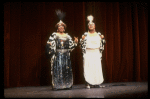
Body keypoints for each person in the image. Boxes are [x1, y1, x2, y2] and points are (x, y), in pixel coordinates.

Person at [46, 10, 78, 90]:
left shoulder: (67, 36)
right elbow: (49, 43)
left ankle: (67, 84)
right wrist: (50, 45)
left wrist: (75, 42)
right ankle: (57, 85)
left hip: (66, 55)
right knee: (58, 70)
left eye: (62, 27)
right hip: (58, 55)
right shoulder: (54, 35)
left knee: (66, 70)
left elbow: (71, 46)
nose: (61, 28)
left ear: (64, 28)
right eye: (59, 27)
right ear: (57, 28)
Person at [80, 15, 106, 89]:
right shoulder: (85, 35)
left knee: (97, 67)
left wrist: (103, 39)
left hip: (96, 52)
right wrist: (82, 40)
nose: (91, 26)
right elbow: (81, 45)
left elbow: (103, 43)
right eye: (90, 25)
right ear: (88, 27)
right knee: (88, 67)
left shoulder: (99, 34)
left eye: (92, 25)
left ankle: (97, 82)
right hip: (88, 52)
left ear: (94, 26)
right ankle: (88, 82)